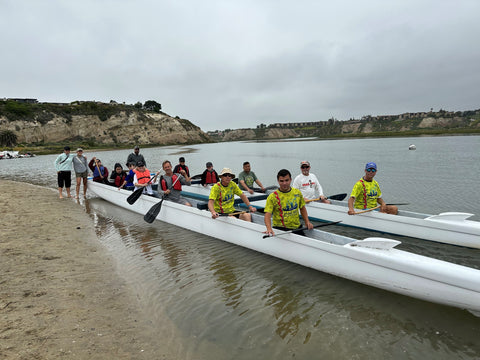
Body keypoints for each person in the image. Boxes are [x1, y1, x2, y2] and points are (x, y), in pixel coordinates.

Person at [264, 169, 314, 237]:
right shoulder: (272, 196)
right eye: (281, 181)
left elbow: (302, 208)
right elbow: (267, 214)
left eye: (286, 180)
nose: (284, 183)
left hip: (296, 227)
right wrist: (269, 229)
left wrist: (307, 222)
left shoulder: (297, 192)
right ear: (278, 181)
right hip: (280, 229)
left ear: (290, 180)